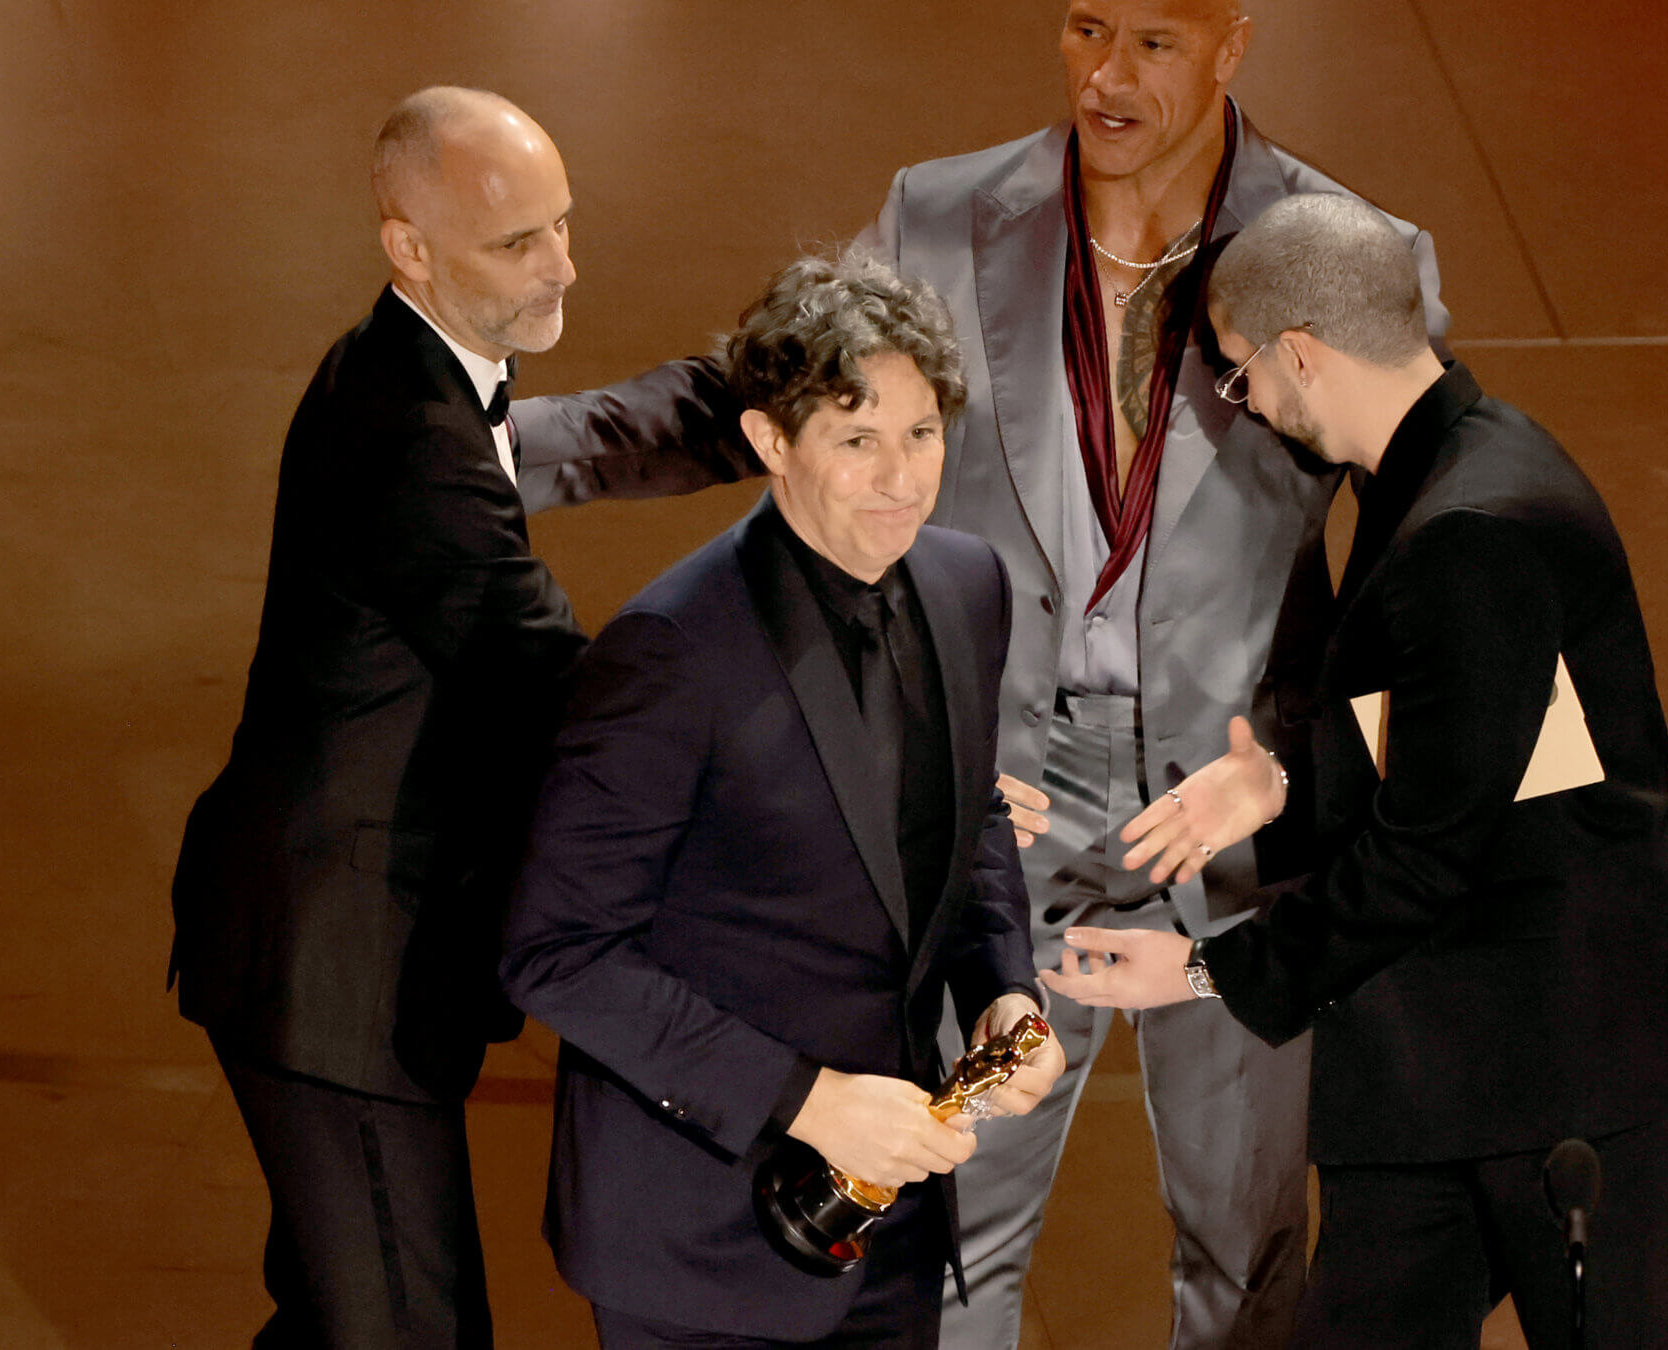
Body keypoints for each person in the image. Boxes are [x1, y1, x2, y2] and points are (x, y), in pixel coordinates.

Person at [510, 5, 1452, 1341]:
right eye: (1084, 28)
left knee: (1247, 1251)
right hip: (995, 810)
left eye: (1156, 44)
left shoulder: (1343, 250)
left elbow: (1436, 554)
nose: (1108, 76)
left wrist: (1305, 767)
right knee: (944, 1231)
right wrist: (495, 445)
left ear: (1234, 45)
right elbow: (772, 388)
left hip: (1235, 828)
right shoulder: (941, 214)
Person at [1041, 194, 1668, 1349]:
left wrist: (1203, 972)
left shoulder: (1472, 532)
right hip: (1451, 1048)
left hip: (1582, 1049)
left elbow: (1431, 854)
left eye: (1244, 377)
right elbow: (1480, 754)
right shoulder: (1450, 466)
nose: (1248, 406)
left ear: (1300, 352)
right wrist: (1287, 788)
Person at [168, 87, 756, 1348]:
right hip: (338, 979)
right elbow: (551, 679)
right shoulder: (412, 439)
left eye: (563, 225)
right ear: (407, 248)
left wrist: (771, 392)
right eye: (518, 244)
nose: (563, 267)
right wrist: (775, 751)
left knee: (338, 1316)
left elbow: (592, 434)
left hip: (307, 948)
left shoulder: (411, 366)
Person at [499, 252, 1067, 1350]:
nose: (902, 478)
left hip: (887, 1228)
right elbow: (555, 951)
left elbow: (971, 819)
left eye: (922, 435)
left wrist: (1004, 991)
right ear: (770, 443)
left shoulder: (965, 585)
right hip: (695, 1241)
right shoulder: (668, 653)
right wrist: (809, 1100)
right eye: (857, 442)